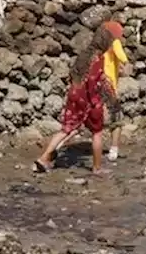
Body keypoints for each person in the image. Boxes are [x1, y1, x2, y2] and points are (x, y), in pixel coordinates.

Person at [33, 25, 119, 175]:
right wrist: (97, 102)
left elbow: (74, 75)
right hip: (87, 98)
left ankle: (43, 158)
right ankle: (97, 168)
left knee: (66, 129)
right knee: (97, 133)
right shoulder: (98, 59)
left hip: (74, 94)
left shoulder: (84, 54)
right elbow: (93, 82)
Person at [99, 20, 130, 161]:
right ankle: (114, 150)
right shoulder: (114, 42)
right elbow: (121, 55)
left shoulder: (98, 44)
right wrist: (127, 63)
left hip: (96, 83)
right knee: (116, 119)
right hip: (108, 86)